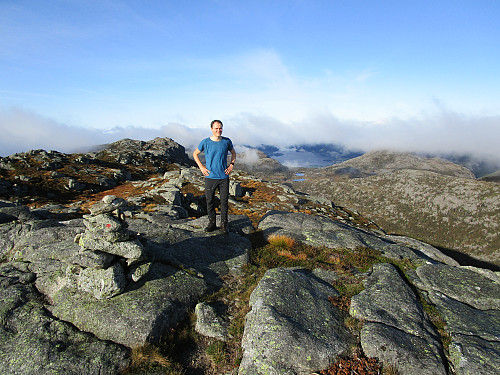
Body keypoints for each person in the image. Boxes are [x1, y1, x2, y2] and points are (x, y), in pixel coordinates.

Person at [193, 119, 236, 234]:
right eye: (216, 128)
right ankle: (212, 223)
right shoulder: (205, 142)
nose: (218, 130)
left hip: (223, 177)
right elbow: (195, 154)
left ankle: (224, 225)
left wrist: (231, 165)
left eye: (220, 128)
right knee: (210, 201)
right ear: (211, 129)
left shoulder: (226, 141)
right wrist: (201, 167)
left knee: (224, 202)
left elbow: (233, 153)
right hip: (210, 177)